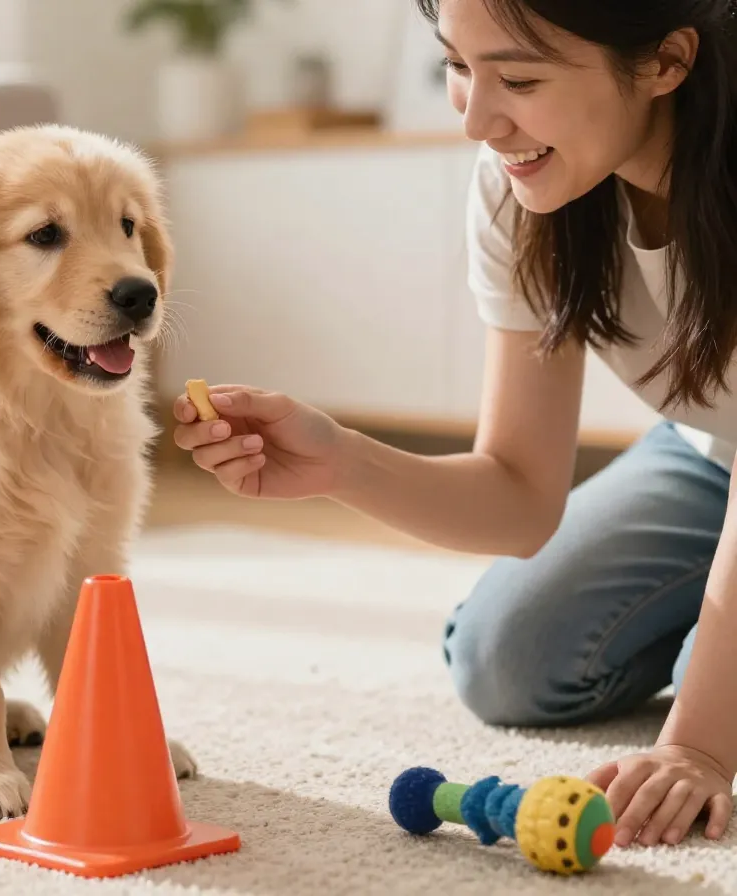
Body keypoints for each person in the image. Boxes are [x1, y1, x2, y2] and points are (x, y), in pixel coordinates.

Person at [172, 0, 737, 850]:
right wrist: (342, 463)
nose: (476, 118)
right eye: (458, 66)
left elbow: (699, 742)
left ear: (665, 62)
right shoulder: (526, 187)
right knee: (505, 657)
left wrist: (696, 743)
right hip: (710, 452)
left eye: (518, 78)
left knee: (714, 707)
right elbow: (517, 493)